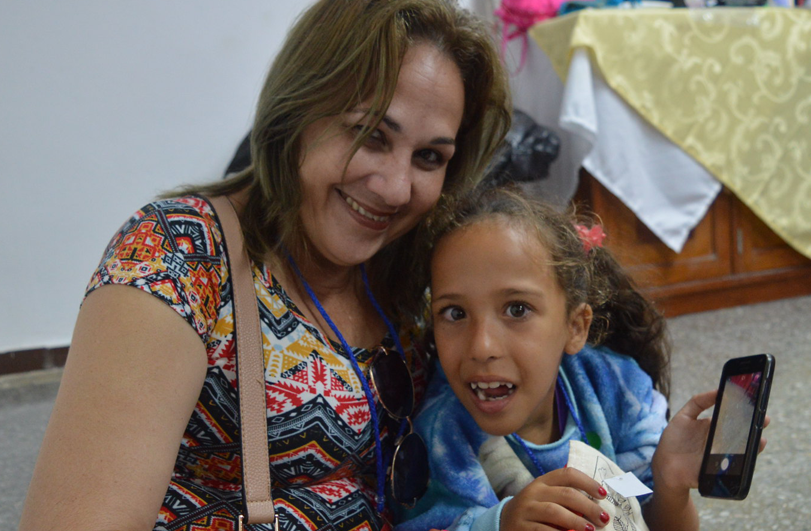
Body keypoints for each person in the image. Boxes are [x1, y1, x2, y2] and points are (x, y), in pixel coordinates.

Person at [18, 1, 511, 530]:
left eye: (429, 157)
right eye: (370, 135)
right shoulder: (179, 255)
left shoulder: (415, 275)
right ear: (299, 108)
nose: (395, 187)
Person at [397, 186, 768, 531]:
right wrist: (501, 522)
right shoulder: (441, 437)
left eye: (517, 309)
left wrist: (670, 482)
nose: (482, 346)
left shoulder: (615, 390)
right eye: (455, 314)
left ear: (575, 327)